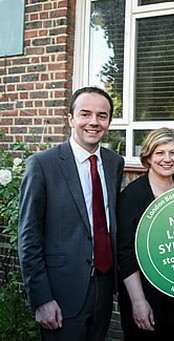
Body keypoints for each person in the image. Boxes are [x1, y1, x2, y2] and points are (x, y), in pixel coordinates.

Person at [18, 86, 125, 340]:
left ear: (109, 121)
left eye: (102, 115)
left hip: (103, 286)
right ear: (71, 119)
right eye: (85, 114)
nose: (94, 122)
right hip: (61, 292)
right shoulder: (43, 164)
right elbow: (29, 236)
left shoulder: (114, 163)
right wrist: (42, 298)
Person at [117, 128, 174, 340]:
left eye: (173, 153)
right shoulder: (132, 196)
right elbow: (126, 253)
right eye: (160, 153)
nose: (167, 159)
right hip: (144, 295)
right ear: (148, 157)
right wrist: (138, 301)